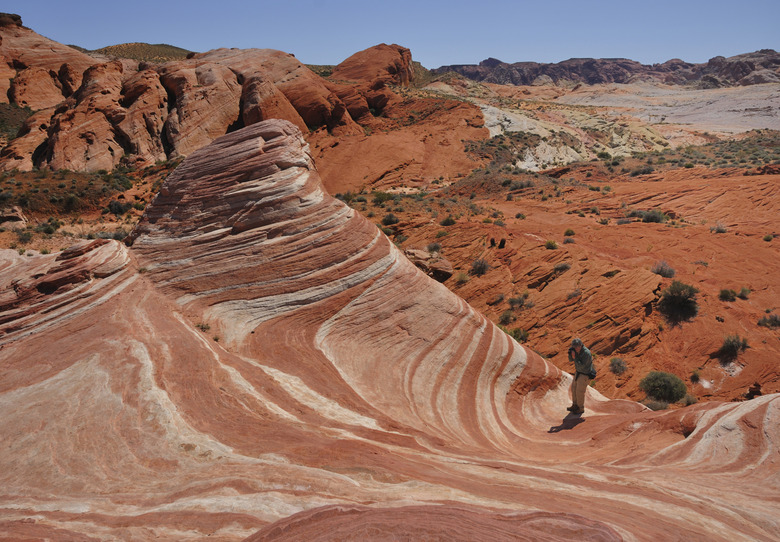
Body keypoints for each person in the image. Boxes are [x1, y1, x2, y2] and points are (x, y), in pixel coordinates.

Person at [567, 338, 593, 414]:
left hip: (584, 374)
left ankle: (581, 408)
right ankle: (575, 405)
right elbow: (570, 360)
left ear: (581, 345)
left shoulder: (586, 353)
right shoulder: (575, 351)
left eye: (577, 346)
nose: (576, 348)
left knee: (580, 392)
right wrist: (570, 355)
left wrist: (575, 358)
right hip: (578, 373)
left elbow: (582, 366)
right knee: (573, 389)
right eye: (574, 347)